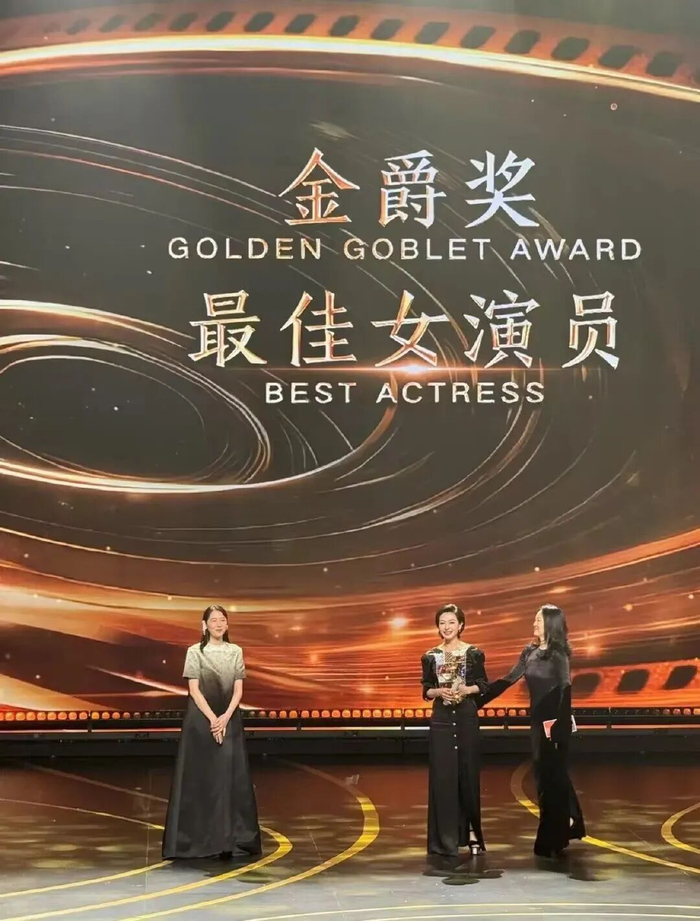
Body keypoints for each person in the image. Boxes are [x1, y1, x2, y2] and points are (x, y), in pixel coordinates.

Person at [482, 604, 586, 858]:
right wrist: (478, 700)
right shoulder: (529, 652)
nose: (534, 624)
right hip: (538, 722)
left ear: (550, 623)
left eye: (538, 620)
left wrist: (559, 726)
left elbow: (565, 690)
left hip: (555, 722)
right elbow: (509, 678)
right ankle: (568, 824)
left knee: (553, 778)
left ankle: (553, 836)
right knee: (544, 778)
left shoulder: (558, 655)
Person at [162, 604, 262, 860]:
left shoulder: (235, 651)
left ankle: (230, 840)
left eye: (222, 620)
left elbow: (238, 690)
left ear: (227, 625)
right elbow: (194, 690)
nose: (218, 624)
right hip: (201, 720)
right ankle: (197, 840)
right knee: (202, 779)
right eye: (214, 620)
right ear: (204, 625)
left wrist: (225, 718)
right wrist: (213, 720)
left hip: (230, 719)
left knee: (229, 779)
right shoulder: (195, 652)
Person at [421, 603, 489, 857]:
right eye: (442, 623)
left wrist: (466, 690)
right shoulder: (431, 656)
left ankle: (471, 834)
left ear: (460, 625)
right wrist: (439, 692)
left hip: (465, 718)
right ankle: (444, 839)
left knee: (467, 776)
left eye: (451, 622)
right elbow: (426, 689)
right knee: (443, 777)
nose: (446, 627)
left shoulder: (473, 653)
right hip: (441, 719)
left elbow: (483, 685)